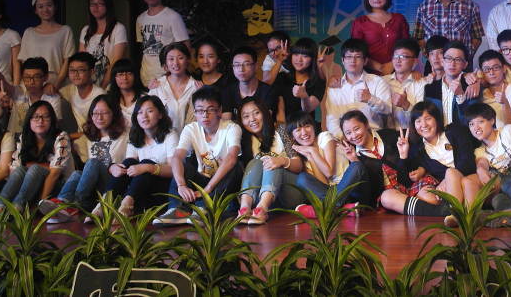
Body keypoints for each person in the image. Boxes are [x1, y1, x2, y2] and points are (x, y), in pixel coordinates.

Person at [331, 110, 449, 218]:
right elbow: (368, 196)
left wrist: (415, 164)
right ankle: (441, 212)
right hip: (391, 194)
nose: (354, 135)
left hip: (411, 183)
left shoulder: (389, 135)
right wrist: (355, 160)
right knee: (387, 198)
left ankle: (416, 207)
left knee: (431, 199)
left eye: (357, 129)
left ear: (366, 124)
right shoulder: (355, 159)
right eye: (348, 133)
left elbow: (417, 159)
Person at [155, 87, 243, 225]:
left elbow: (231, 158)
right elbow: (177, 158)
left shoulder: (232, 128)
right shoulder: (191, 129)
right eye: (200, 110)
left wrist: (208, 189)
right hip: (203, 180)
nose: (205, 115)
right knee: (184, 167)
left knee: (235, 167)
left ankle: (204, 209)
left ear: (219, 111)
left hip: (224, 182)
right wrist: (181, 185)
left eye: (210, 110)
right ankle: (178, 210)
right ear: (194, 112)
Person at [42, 95, 128, 223]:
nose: (99, 118)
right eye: (95, 113)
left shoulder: (126, 137)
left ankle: (74, 206)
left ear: (114, 114)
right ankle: (62, 203)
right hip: (92, 195)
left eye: (105, 113)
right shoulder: (86, 139)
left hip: (113, 189)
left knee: (93, 162)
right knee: (77, 173)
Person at [101, 94, 178, 217]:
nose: (144, 116)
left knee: (145, 164)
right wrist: (114, 167)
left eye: (149, 111)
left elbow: (174, 171)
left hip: (164, 191)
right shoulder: (135, 138)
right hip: (142, 191)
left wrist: (149, 167)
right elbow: (129, 166)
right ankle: (104, 202)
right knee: (128, 164)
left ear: (160, 114)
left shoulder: (170, 135)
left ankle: (127, 205)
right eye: (140, 112)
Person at [0, 101, 73, 217]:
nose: (40, 121)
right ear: (29, 120)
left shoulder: (61, 137)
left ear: (52, 120)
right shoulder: (25, 138)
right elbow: (14, 170)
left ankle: (17, 209)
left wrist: (39, 204)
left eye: (45, 117)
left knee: (35, 168)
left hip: (55, 189)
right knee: (20, 170)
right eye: (35, 117)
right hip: (29, 189)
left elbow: (55, 174)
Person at [235, 96, 304, 224]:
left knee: (272, 162)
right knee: (255, 162)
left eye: (256, 113)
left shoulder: (281, 129)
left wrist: (282, 161)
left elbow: (299, 165)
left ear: (265, 113)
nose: (252, 119)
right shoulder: (244, 140)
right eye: (246, 116)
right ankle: (245, 209)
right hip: (266, 198)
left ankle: (261, 209)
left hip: (290, 193)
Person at [402, 101, 481, 206]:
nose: (424, 125)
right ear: (414, 125)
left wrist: (447, 180)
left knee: (457, 178)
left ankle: (456, 212)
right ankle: (454, 212)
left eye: (428, 118)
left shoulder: (454, 131)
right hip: (446, 190)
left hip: (469, 178)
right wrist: (403, 155)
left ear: (436, 119)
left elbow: (468, 160)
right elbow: (404, 182)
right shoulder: (417, 150)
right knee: (427, 196)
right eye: (418, 121)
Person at [288, 111, 362, 217]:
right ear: (292, 137)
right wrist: (310, 158)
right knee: (302, 178)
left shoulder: (325, 137)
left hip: (350, 189)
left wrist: (313, 151)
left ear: (313, 127)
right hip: (330, 192)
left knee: (357, 165)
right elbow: (325, 183)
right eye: (298, 130)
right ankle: (342, 208)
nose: (304, 132)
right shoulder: (304, 158)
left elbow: (329, 172)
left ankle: (327, 209)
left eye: (307, 126)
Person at [323, 38, 392, 140]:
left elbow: (387, 111)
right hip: (347, 140)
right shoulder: (335, 87)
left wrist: (370, 99)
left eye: (358, 57)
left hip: (374, 137)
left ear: (365, 61)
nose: (352, 60)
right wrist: (342, 138)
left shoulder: (378, 82)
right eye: (348, 56)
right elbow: (332, 119)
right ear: (342, 60)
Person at [411, 0, 484, 55]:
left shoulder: (471, 6)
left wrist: (468, 55)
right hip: (434, 60)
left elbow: (477, 37)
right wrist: (428, 54)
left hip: (460, 60)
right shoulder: (424, 7)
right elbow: (419, 36)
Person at [135, 0, 190, 86]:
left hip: (168, 77)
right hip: (146, 77)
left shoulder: (173, 17)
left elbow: (186, 48)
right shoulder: (140, 19)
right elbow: (143, 48)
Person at [0, 55, 61, 136]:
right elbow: (1, 83)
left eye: (36, 77)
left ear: (46, 77)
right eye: (27, 77)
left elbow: (54, 126)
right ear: (22, 78)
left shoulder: (52, 97)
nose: (31, 82)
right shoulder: (20, 92)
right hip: (18, 139)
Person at [350, 0, 411, 75]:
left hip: (398, 73)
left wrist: (392, 64)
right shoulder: (359, 23)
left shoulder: (399, 19)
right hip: (369, 76)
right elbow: (357, 52)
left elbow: (408, 46)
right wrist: (380, 68)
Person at [18, 0, 75, 89]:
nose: (45, 9)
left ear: (55, 7)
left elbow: (68, 60)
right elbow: (25, 61)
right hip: (33, 82)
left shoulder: (66, 30)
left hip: (56, 81)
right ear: (35, 10)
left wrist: (56, 86)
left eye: (49, 5)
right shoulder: (29, 32)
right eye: (40, 6)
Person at [58, 53, 107, 161]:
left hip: (96, 138)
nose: (75, 74)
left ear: (91, 72)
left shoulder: (100, 96)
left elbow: (99, 129)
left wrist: (69, 136)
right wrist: (49, 86)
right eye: (72, 70)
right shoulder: (70, 90)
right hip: (79, 140)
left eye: (80, 70)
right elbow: (53, 93)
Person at [423, 41, 481, 126]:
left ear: (465, 64)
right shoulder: (430, 88)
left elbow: (472, 122)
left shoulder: (471, 87)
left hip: (462, 134)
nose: (452, 64)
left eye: (458, 60)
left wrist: (460, 95)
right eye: (448, 58)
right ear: (442, 62)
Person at [79, 0, 128, 88]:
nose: (95, 7)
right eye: (92, 3)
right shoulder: (86, 30)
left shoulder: (118, 28)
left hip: (110, 85)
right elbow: (81, 60)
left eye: (100, 3)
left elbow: (116, 61)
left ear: (107, 5)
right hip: (89, 85)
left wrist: (103, 85)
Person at [222, 46, 284, 124]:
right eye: (237, 65)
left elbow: (264, 122)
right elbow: (226, 123)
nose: (241, 69)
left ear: (256, 66)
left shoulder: (268, 91)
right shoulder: (228, 92)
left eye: (247, 64)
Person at [148, 42, 198, 133]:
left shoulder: (195, 87)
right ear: (166, 62)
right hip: (162, 139)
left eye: (180, 58)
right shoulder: (157, 86)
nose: (175, 63)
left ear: (188, 59)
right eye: (171, 59)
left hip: (189, 140)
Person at [386, 38, 427, 130]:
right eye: (395, 56)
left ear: (414, 61)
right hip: (387, 133)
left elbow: (423, 117)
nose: (398, 60)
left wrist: (406, 105)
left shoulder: (421, 84)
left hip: (413, 133)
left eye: (403, 56)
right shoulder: (383, 82)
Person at [282, 37, 326, 118]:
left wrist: (304, 97)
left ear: (312, 59)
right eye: (296, 54)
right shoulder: (282, 78)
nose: (299, 59)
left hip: (306, 124)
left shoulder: (318, 83)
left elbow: (308, 109)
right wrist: (279, 60)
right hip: (284, 125)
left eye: (305, 56)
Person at [106, 58, 145, 127]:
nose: (125, 78)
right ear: (114, 77)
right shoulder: (108, 101)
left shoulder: (145, 99)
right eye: (120, 74)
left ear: (135, 76)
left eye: (129, 74)